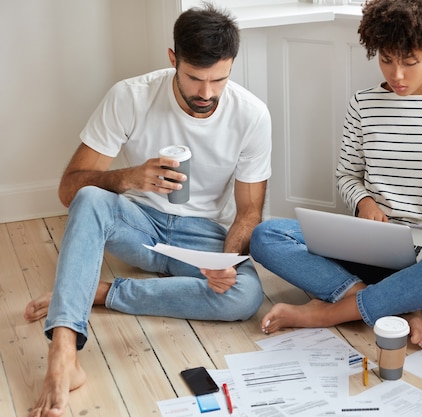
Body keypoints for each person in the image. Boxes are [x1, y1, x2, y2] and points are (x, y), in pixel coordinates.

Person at [23, 4, 271, 417]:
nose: (206, 93)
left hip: (202, 234)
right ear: (173, 59)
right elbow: (69, 188)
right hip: (139, 226)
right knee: (89, 198)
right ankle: (64, 350)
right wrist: (128, 178)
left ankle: (102, 293)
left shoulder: (251, 115)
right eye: (195, 77)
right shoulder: (131, 96)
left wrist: (225, 260)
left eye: (219, 80)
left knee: (245, 294)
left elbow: (249, 211)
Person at [250, 0, 422, 349]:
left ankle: (326, 314)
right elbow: (347, 175)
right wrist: (364, 202)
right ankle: (401, 305)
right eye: (386, 59)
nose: (396, 75)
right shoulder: (363, 104)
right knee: (266, 235)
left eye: (410, 63)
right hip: (369, 244)